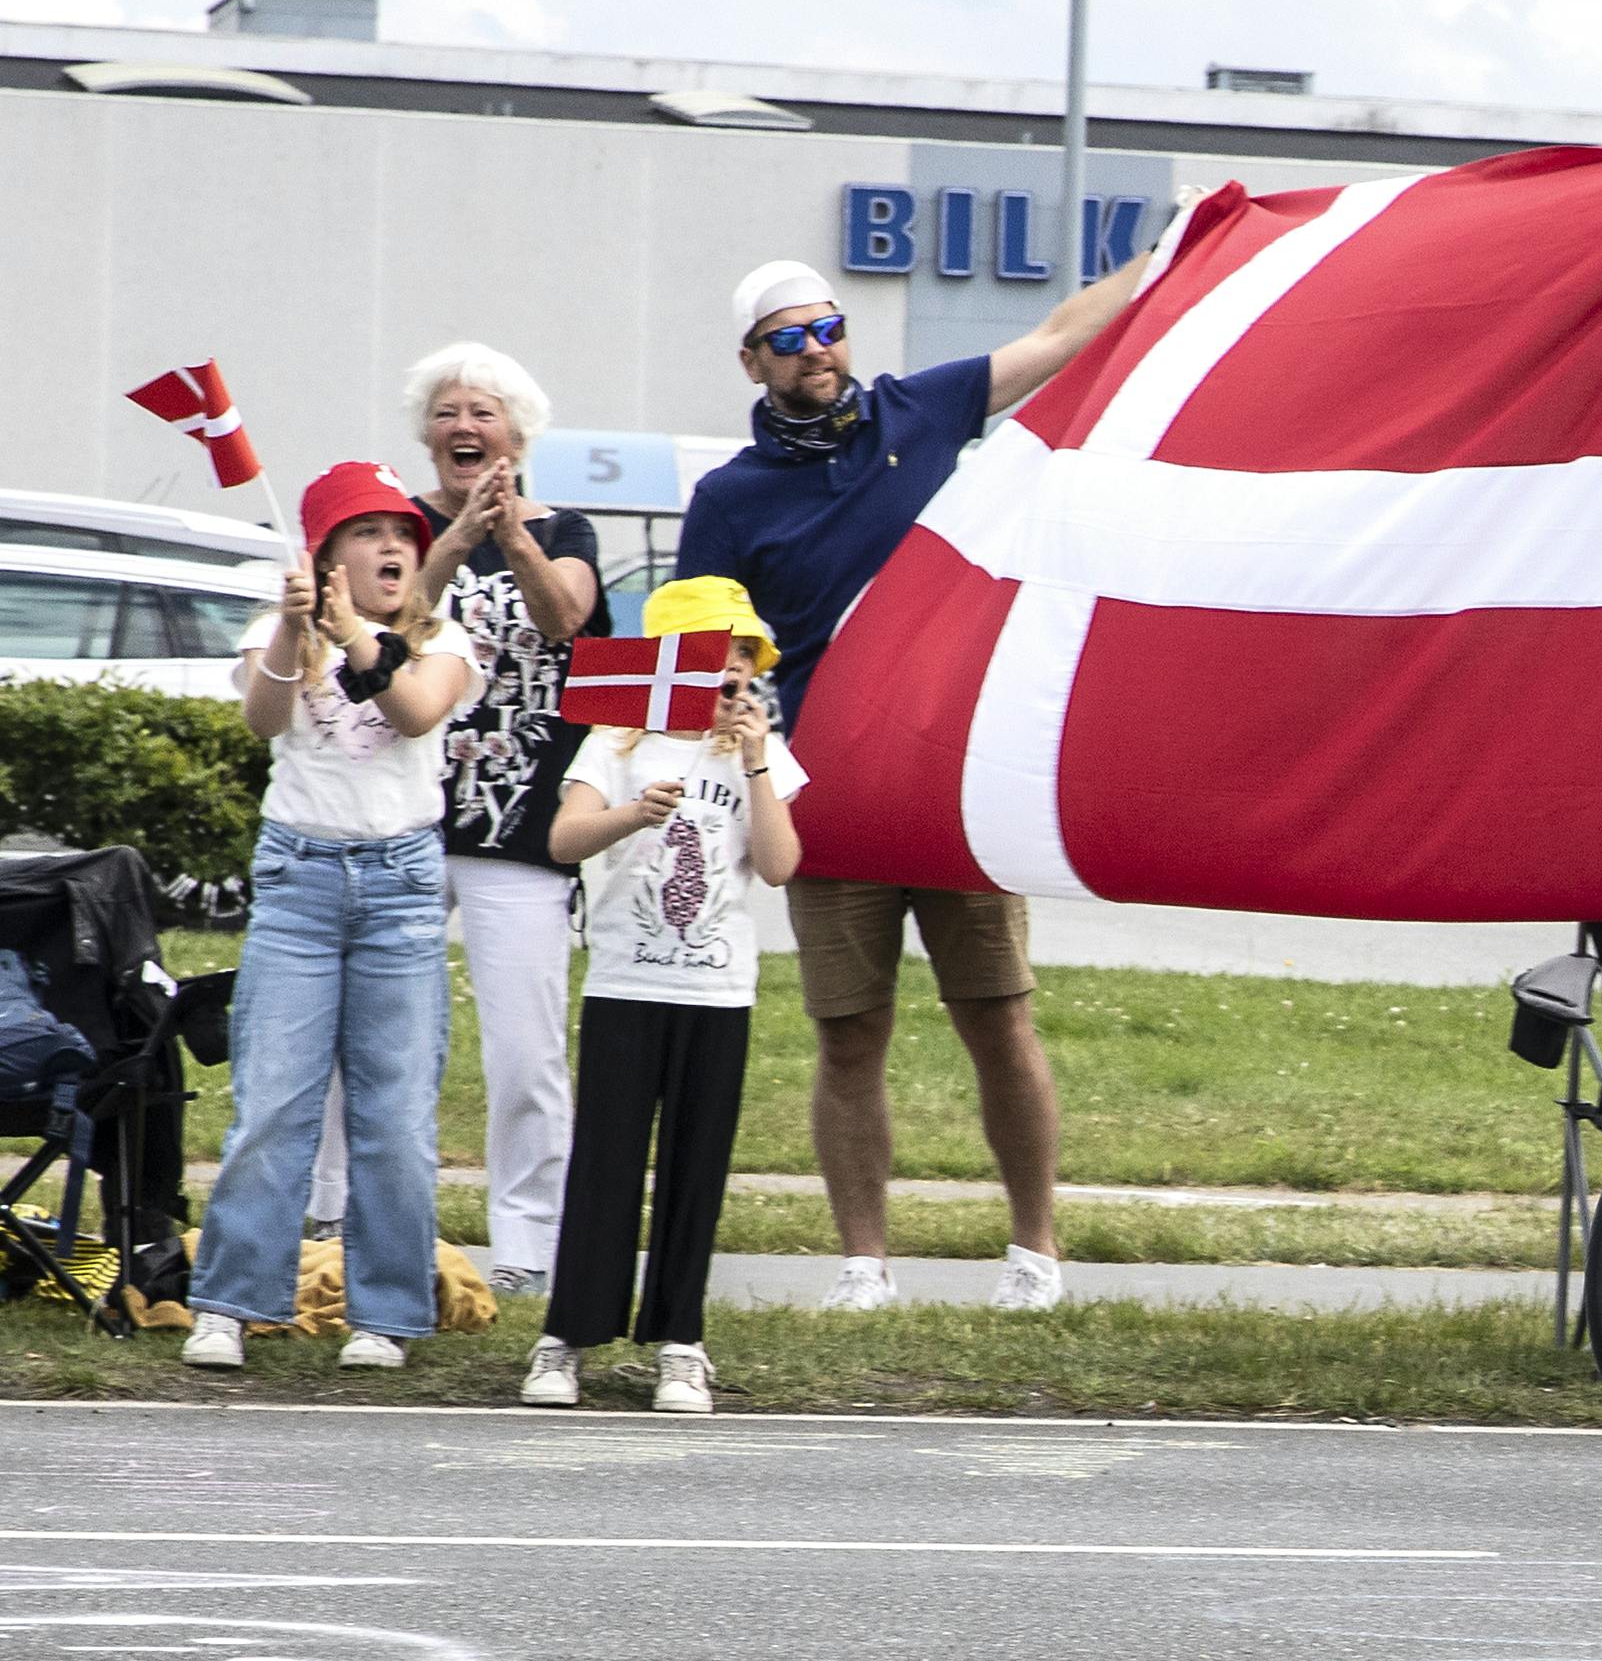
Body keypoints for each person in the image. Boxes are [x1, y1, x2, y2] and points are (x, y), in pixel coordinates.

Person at [672, 256, 1143, 1313]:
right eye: (788, 340)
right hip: (821, 801)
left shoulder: (920, 411)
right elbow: (698, 655)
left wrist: (1176, 245)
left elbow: (1063, 336)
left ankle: (1035, 1255)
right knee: (850, 1033)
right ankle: (864, 1265)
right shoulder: (728, 498)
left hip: (949, 786)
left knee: (999, 1016)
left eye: (827, 328)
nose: (816, 351)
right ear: (753, 361)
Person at [184, 463, 491, 1374]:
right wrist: (291, 624)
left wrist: (353, 629)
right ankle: (231, 1305)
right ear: (325, 554)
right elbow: (262, 717)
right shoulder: (275, 628)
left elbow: (412, 709)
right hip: (299, 882)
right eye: (367, 533)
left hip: (399, 890)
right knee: (273, 1101)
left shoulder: (448, 641)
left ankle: (385, 1315)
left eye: (403, 533)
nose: (393, 546)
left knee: (393, 1114)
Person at [524, 578, 802, 1416]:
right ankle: (567, 1336)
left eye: (745, 658)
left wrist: (752, 759)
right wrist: (632, 814)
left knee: (695, 1165)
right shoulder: (618, 742)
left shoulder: (760, 753)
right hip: (626, 980)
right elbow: (564, 839)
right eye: (718, 655)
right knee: (606, 1162)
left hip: (717, 992)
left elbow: (783, 864)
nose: (734, 675)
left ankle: (681, 1342)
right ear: (671, 664)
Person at [366, 342, 608, 1300]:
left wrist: (512, 538)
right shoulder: (394, 527)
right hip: (407, 818)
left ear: (518, 432)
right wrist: (456, 537)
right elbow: (389, 629)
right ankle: (351, 1223)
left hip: (524, 828)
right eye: (448, 413)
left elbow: (567, 624)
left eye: (484, 413)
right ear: (427, 433)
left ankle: (528, 1242)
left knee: (525, 1047)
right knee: (381, 1035)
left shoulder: (570, 531)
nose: (465, 428)